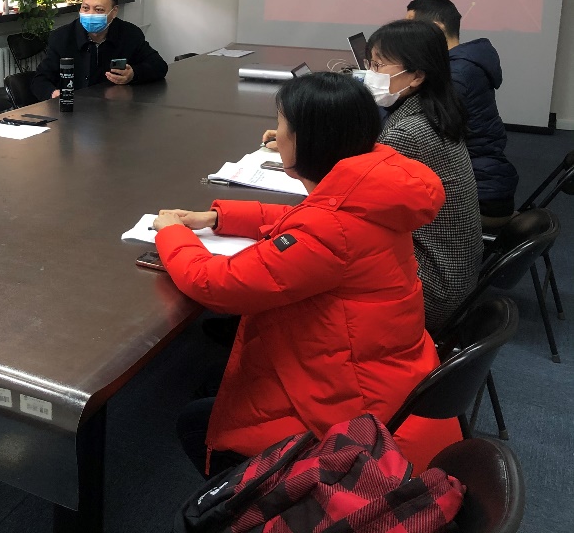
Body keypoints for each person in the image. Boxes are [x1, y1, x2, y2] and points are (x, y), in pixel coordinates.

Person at [152, 73, 459, 475]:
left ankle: (246, 502)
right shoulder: (370, 192)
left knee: (195, 422)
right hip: (386, 383)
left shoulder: (331, 230)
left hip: (362, 433)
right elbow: (303, 220)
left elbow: (216, 284)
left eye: (281, 126)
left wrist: (171, 233)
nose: (275, 136)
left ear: (306, 140)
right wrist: (218, 217)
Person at [366, 19, 484, 331]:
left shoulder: (407, 133)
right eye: (370, 64)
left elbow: (358, 203)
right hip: (456, 276)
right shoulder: (436, 111)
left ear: (418, 75)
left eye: (378, 65)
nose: (371, 75)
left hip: (432, 287)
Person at [406, 0, 518, 229]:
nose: (406, 35)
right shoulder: (461, 64)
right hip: (488, 180)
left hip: (480, 197)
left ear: (437, 29)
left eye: (411, 27)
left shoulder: (457, 75)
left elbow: (419, 130)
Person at [31, 0, 168, 101]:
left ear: (114, 11)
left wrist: (133, 74)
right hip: (75, 110)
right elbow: (40, 80)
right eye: (85, 8)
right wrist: (53, 94)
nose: (90, 14)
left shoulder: (129, 34)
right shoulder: (62, 37)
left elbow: (159, 66)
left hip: (115, 109)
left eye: (99, 10)